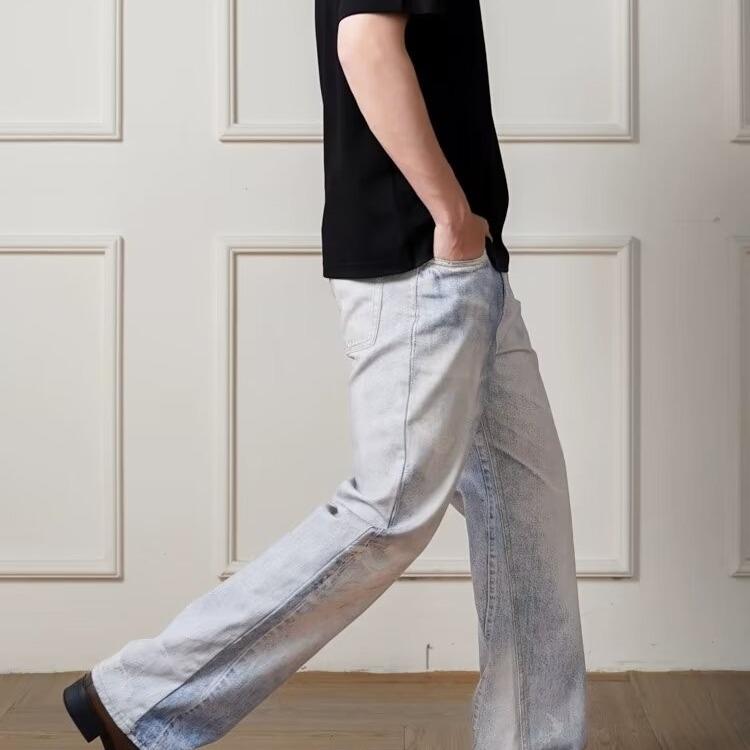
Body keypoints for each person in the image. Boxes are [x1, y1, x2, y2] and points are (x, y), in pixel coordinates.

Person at [62, 2, 588, 749]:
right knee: (388, 509)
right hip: (425, 263)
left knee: (528, 512)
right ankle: (139, 696)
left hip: (468, 267)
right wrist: (449, 216)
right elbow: (364, 42)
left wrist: (468, 234)